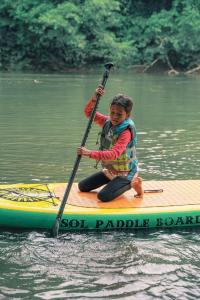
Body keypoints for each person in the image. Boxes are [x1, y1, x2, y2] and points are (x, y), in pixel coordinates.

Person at [77, 85, 143, 202]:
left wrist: (89, 153)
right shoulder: (107, 121)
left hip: (126, 173)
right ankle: (115, 182)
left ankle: (134, 183)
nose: (114, 117)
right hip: (111, 170)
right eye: (112, 112)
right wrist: (94, 98)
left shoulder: (126, 131)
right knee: (82, 187)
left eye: (119, 114)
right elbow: (89, 113)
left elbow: (113, 154)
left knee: (103, 196)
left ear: (127, 115)